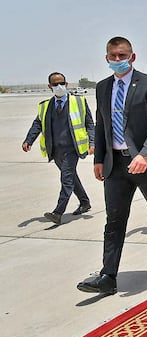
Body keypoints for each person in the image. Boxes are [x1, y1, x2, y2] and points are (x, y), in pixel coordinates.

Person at [77, 37, 147, 296]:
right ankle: (108, 275)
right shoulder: (102, 88)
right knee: (114, 220)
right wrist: (99, 158)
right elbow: (102, 125)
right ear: (107, 58)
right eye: (113, 56)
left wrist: (145, 155)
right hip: (115, 165)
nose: (118, 60)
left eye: (122, 55)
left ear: (132, 57)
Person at [23, 72, 94, 225]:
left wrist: (92, 143)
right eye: (55, 84)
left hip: (72, 148)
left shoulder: (79, 101)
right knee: (71, 177)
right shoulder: (45, 106)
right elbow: (37, 124)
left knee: (66, 178)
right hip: (55, 150)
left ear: (67, 84)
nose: (59, 86)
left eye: (62, 83)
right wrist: (29, 140)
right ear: (50, 86)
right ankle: (84, 202)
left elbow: (90, 124)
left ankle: (58, 212)